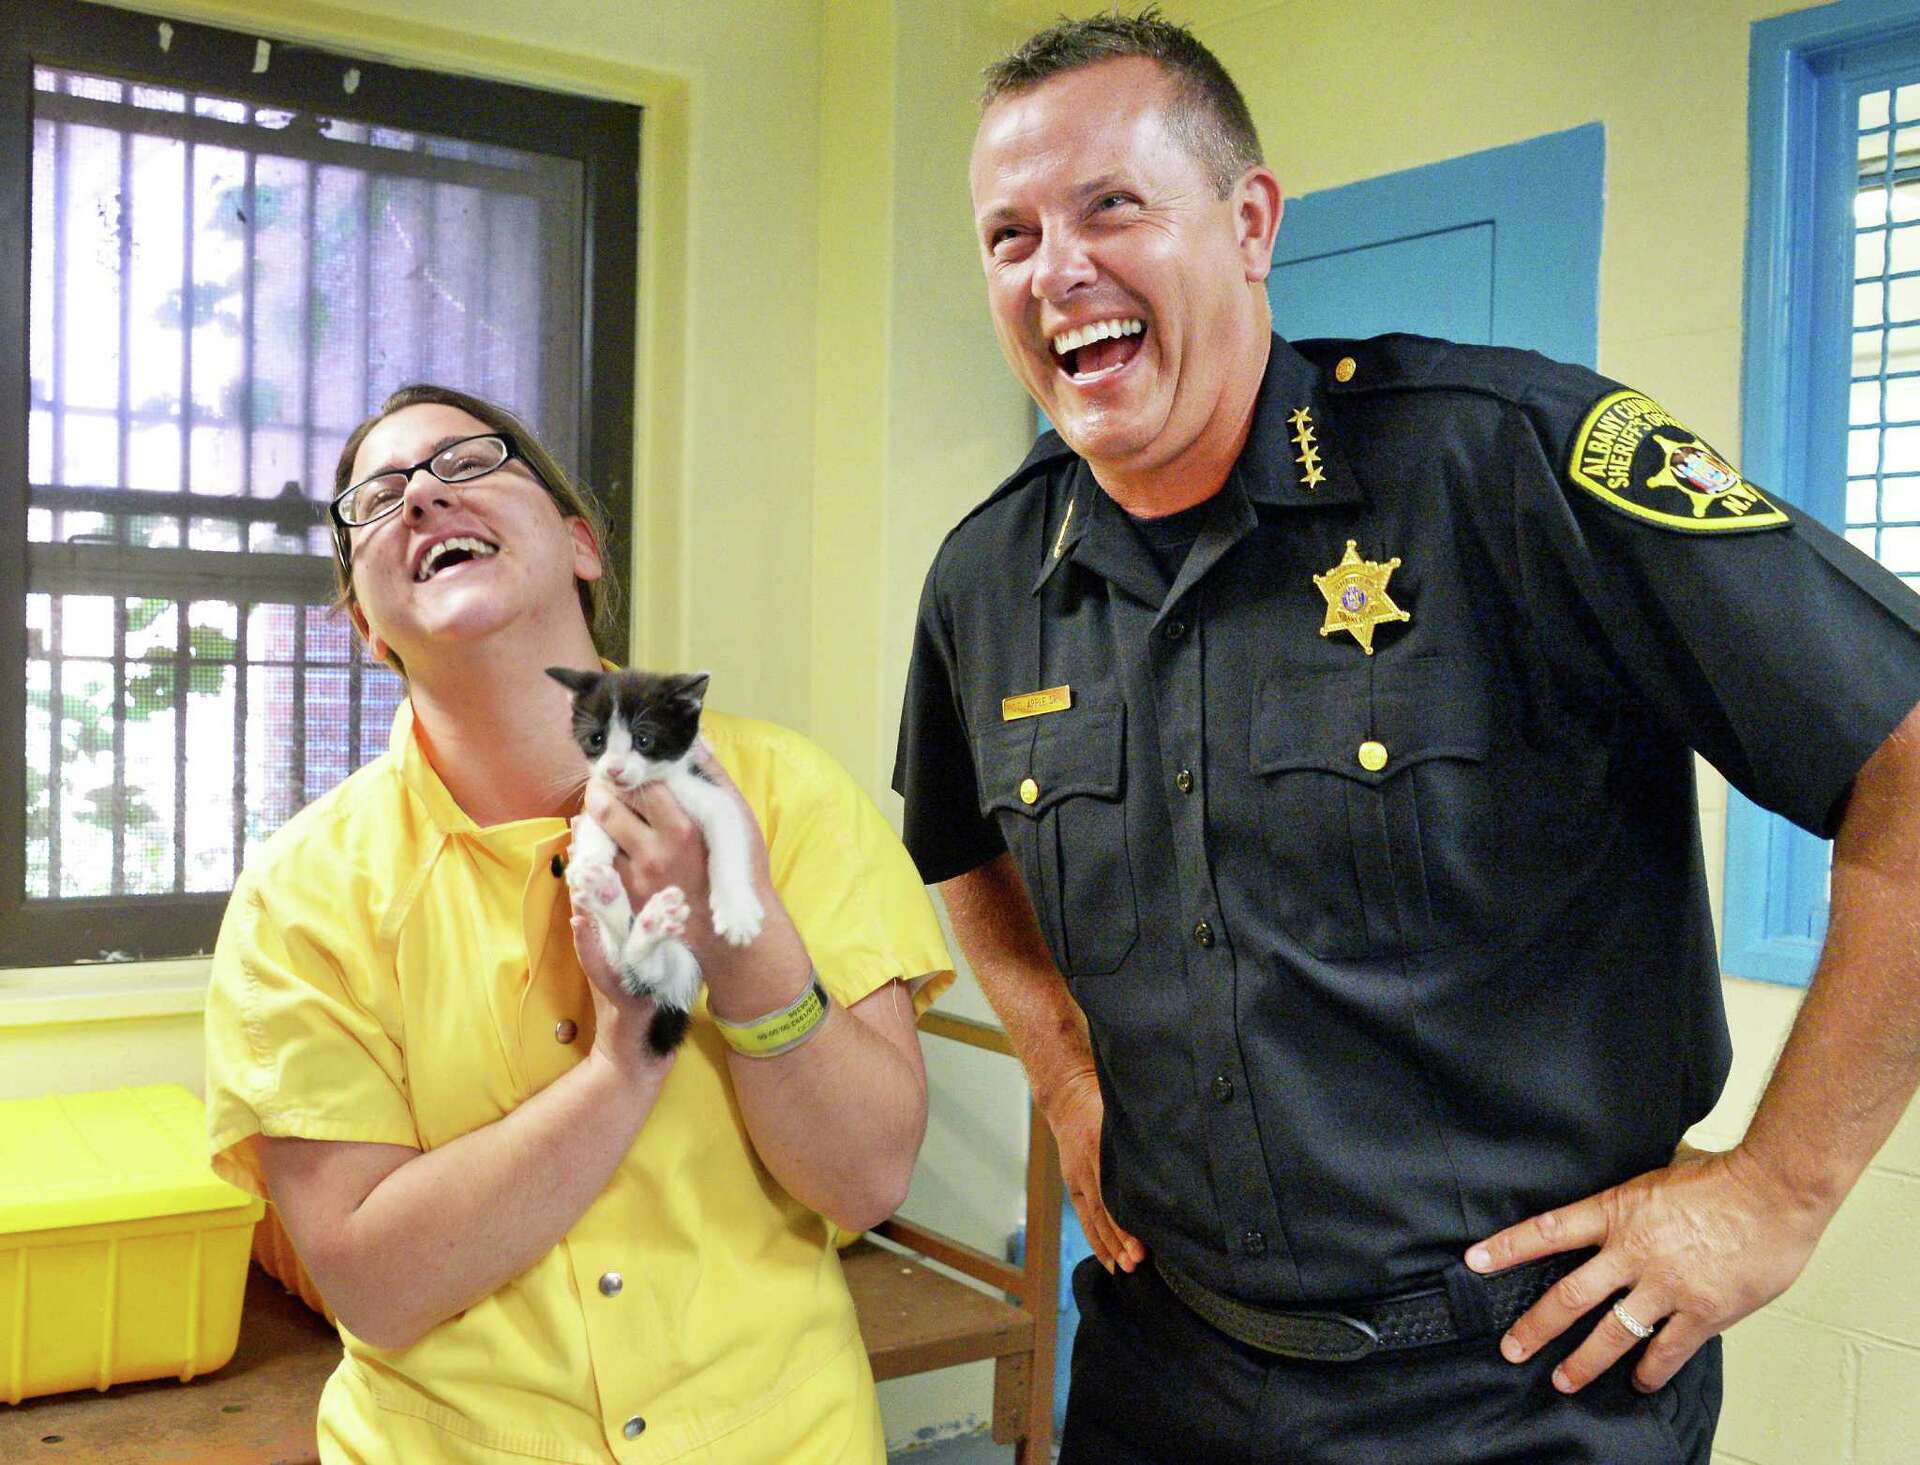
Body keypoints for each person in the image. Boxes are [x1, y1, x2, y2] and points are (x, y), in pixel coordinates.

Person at [892, 12, 1920, 1463]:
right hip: (1162, 1368)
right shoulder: (989, 575)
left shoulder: (1507, 461)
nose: (1056, 269)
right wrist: (1063, 1069)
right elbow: (958, 844)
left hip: (1518, 1388)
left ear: (1250, 224)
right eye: (1010, 235)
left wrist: (1781, 1191)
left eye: (1109, 206)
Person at [203, 383, 953, 1464]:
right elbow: (374, 1283)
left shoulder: (786, 795)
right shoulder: (300, 896)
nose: (422, 497)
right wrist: (625, 1059)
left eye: (467, 462)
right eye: (378, 497)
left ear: (579, 543)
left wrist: (733, 932)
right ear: (366, 625)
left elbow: (867, 1176)